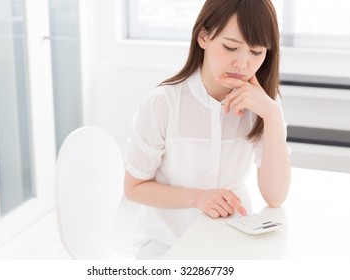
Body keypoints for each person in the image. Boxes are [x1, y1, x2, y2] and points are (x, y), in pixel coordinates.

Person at [123, 0, 291, 259]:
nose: (243, 64)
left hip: (231, 240)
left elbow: (275, 197)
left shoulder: (265, 105)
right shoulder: (164, 103)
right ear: (203, 36)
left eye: (256, 52)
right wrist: (197, 198)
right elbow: (134, 188)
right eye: (230, 47)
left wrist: (272, 115)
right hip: (167, 244)